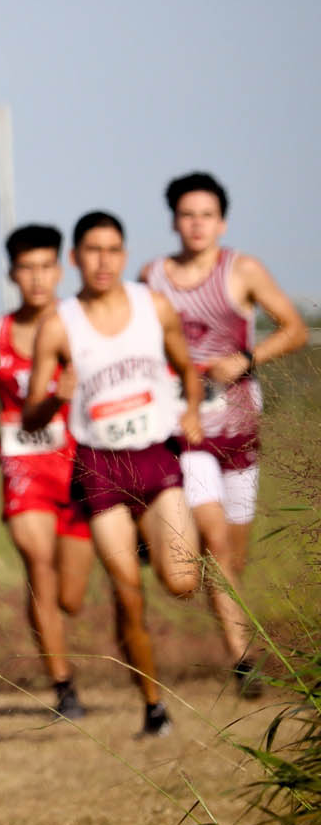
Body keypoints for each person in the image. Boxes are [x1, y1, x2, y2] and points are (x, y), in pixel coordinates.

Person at [25, 211, 202, 736]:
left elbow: (188, 367)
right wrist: (52, 399)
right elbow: (32, 412)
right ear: (76, 258)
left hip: (156, 455)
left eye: (113, 250)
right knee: (127, 594)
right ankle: (153, 705)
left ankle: (153, 544)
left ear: (124, 255)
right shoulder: (60, 324)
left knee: (183, 581)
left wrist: (191, 408)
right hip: (101, 465)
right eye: (93, 251)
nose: (103, 261)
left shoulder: (154, 306)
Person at [142, 172, 306, 689]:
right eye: (188, 214)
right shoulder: (154, 277)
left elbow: (294, 328)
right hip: (186, 431)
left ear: (222, 221)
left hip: (240, 429)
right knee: (212, 542)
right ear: (173, 220)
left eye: (206, 215)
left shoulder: (244, 270)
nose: (197, 224)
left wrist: (247, 358)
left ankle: (238, 643)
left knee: (233, 556)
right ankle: (244, 660)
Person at [0, 224, 91, 718]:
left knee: (71, 597)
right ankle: (63, 684)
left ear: (60, 270)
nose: (37, 278)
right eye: (26, 268)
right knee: (39, 567)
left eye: (45, 267)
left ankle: (61, 653)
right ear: (13, 274)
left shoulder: (79, 328)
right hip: (22, 469)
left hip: (78, 469)